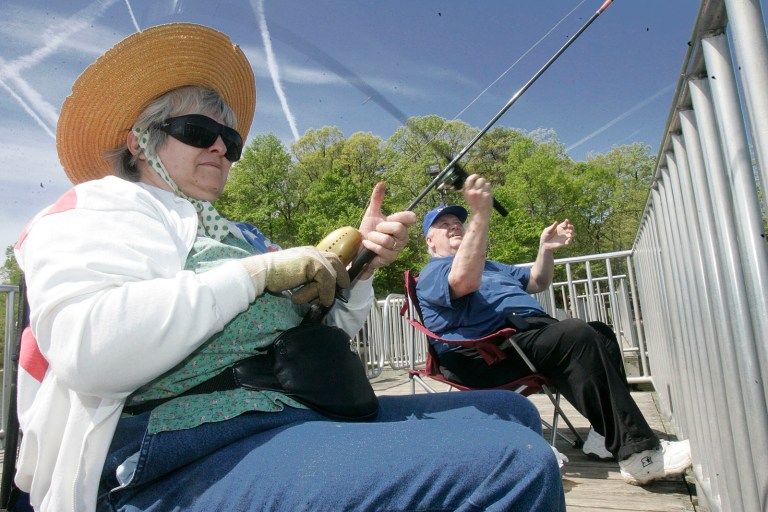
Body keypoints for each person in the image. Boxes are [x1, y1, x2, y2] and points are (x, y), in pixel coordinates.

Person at [13, 24, 565, 512]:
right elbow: (92, 351)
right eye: (199, 133)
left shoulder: (239, 236)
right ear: (139, 140)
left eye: (230, 142)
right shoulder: (99, 208)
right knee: (511, 464)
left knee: (509, 413)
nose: (221, 152)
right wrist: (253, 277)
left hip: (285, 410)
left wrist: (361, 268)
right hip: (172, 452)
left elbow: (319, 337)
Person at [416, 173, 694, 486]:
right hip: (485, 354)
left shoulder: (490, 265)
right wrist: (482, 213)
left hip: (526, 339)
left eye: (459, 221)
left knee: (600, 332)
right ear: (429, 241)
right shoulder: (433, 272)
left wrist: (545, 249)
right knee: (575, 334)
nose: (454, 225)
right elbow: (463, 281)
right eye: (444, 224)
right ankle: (639, 454)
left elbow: (538, 281)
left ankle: (604, 436)